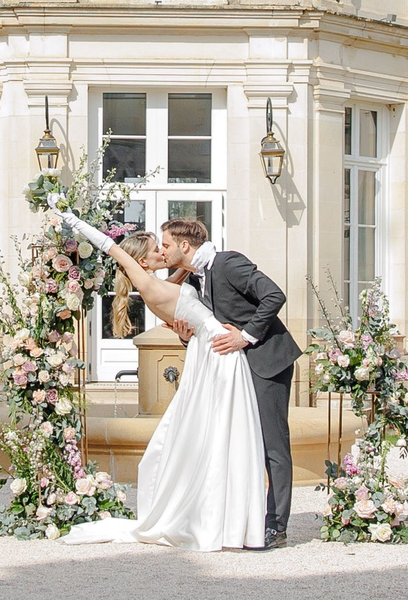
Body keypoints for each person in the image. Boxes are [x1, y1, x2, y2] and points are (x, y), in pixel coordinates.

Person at [59, 218, 265, 551]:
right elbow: (111, 248)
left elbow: (190, 267)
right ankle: (223, 519)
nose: (163, 252)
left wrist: (197, 247)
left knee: (216, 430)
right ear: (142, 261)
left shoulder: (163, 283)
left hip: (208, 349)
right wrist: (73, 220)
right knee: (225, 429)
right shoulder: (146, 283)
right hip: (220, 351)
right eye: (158, 248)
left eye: (164, 246)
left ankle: (224, 516)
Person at [155, 216, 297, 546]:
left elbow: (274, 296)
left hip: (266, 361)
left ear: (184, 245)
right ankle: (241, 521)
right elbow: (210, 327)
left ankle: (276, 526)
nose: (162, 252)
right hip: (232, 370)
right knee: (238, 442)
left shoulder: (228, 262)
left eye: (166, 245)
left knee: (272, 445)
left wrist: (245, 336)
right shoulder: (194, 280)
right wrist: (185, 336)